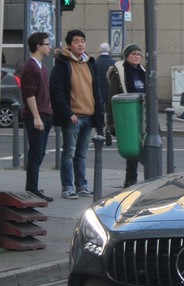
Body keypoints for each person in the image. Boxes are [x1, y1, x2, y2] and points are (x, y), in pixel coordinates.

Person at [49, 29, 104, 199]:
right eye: (76, 41)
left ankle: (82, 185)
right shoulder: (62, 64)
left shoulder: (90, 63)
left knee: (82, 154)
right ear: (69, 45)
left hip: (89, 115)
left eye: (82, 41)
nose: (80, 44)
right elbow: (56, 91)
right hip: (73, 117)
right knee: (69, 152)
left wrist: (98, 116)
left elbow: (96, 90)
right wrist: (68, 113)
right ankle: (67, 187)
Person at [105, 44, 146, 188]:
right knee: (134, 148)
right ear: (126, 56)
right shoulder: (119, 73)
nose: (136, 56)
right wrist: (111, 122)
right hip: (127, 115)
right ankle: (136, 178)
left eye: (139, 54)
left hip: (142, 115)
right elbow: (112, 97)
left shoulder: (142, 71)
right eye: (133, 54)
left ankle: (131, 180)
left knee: (142, 147)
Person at [21, 32, 54, 202]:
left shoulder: (41, 66)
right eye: (47, 44)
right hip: (37, 115)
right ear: (38, 46)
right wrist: (36, 117)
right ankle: (31, 188)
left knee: (40, 153)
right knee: (36, 153)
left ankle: (33, 187)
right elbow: (29, 94)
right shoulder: (30, 67)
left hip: (45, 113)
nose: (50, 47)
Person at [94, 42, 116, 112]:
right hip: (111, 88)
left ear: (99, 50)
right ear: (109, 50)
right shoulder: (114, 62)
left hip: (99, 89)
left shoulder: (95, 63)